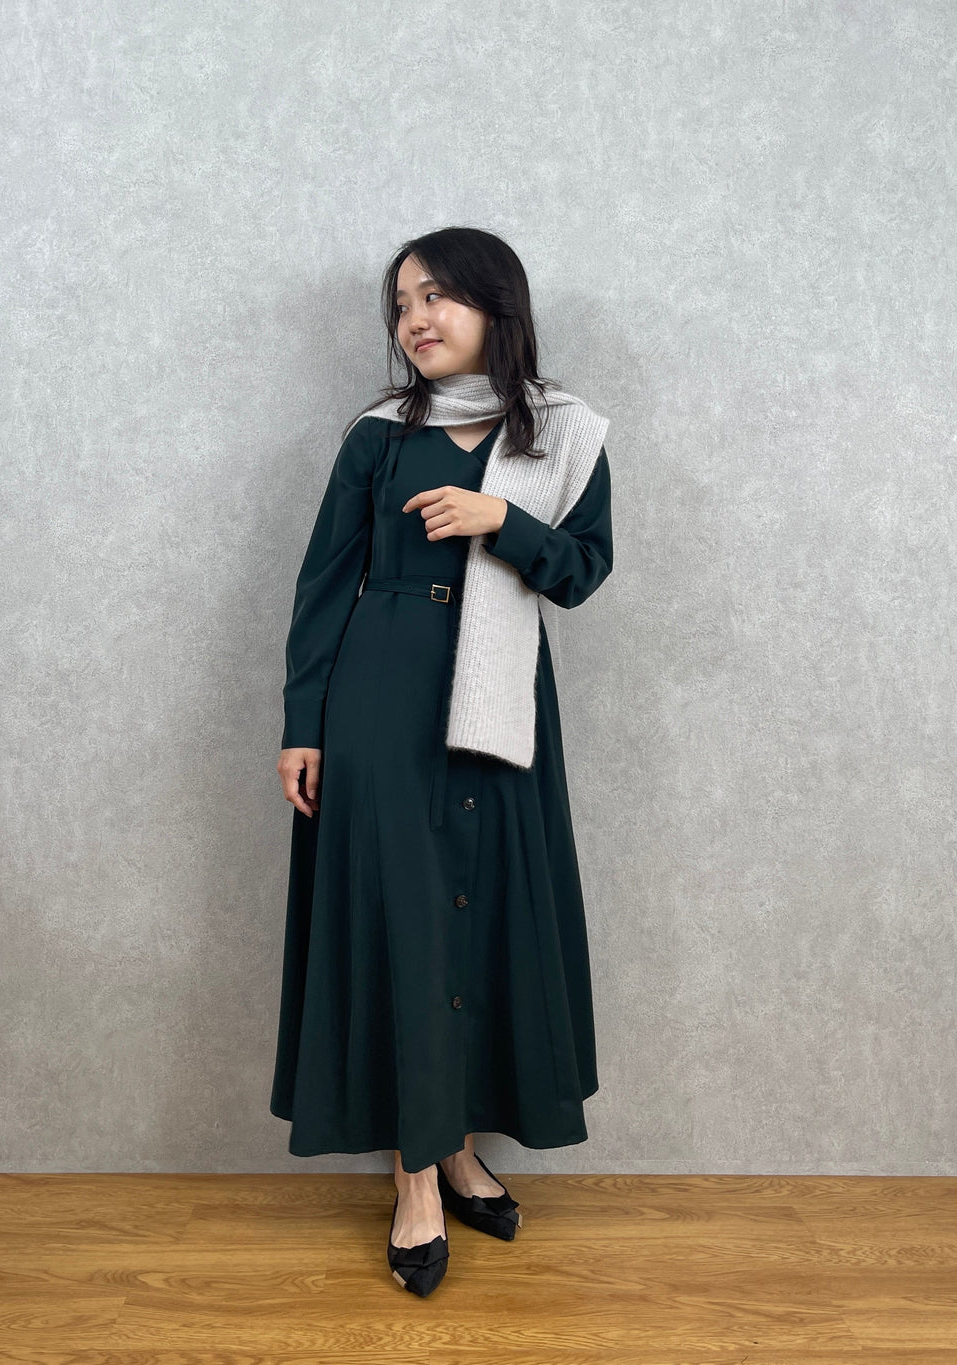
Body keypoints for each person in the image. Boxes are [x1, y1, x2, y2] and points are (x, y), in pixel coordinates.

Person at [270, 226, 614, 1296]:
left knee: (481, 922)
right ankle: (415, 1179)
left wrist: (500, 519)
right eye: (402, 303)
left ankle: (458, 1148)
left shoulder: (562, 432)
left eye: (437, 297)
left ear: (495, 305)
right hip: (379, 701)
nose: (414, 319)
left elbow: (581, 571)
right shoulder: (380, 436)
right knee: (404, 925)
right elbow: (325, 581)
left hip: (500, 713)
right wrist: (302, 722)